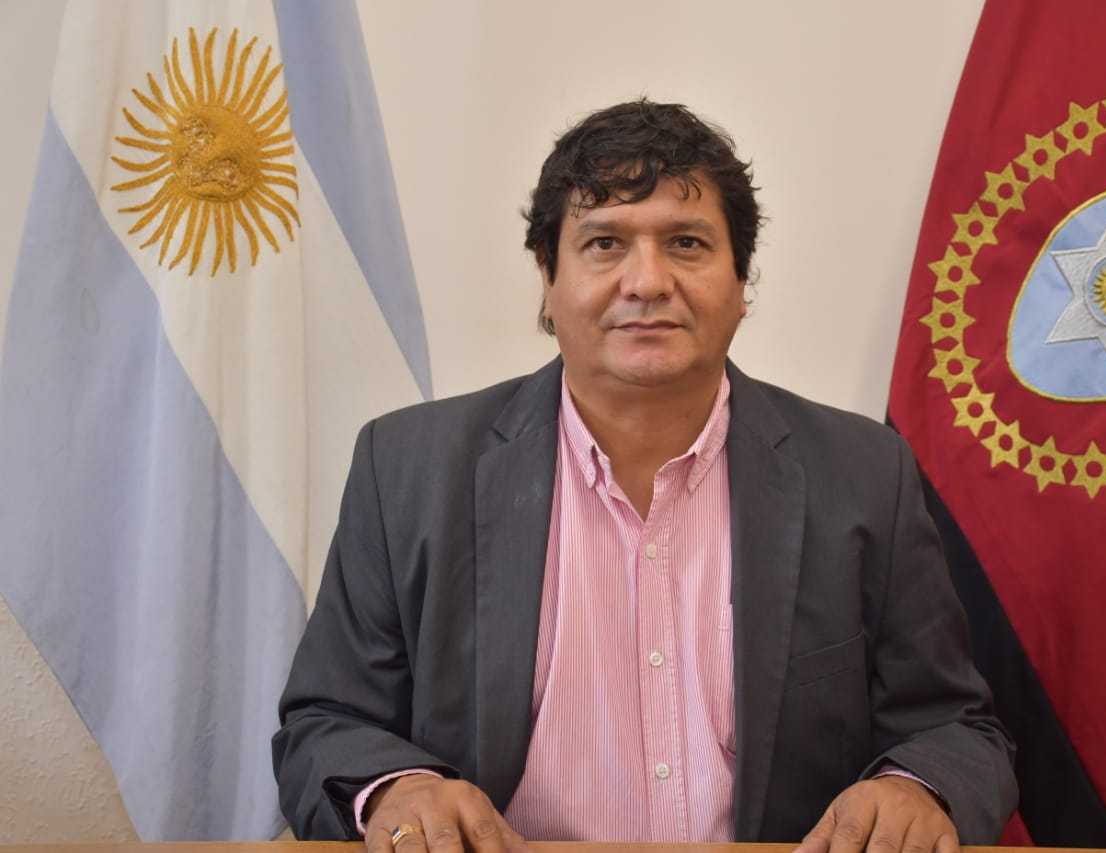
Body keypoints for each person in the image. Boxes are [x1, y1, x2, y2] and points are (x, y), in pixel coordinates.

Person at [272, 100, 1016, 853]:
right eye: (605, 243)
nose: (648, 280)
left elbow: (955, 727)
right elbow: (326, 722)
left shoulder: (862, 474)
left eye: (687, 243)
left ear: (741, 283)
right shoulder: (409, 470)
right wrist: (399, 788)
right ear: (547, 278)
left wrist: (912, 788)